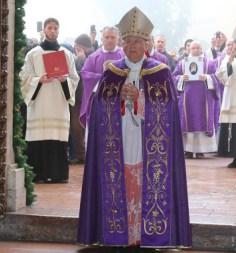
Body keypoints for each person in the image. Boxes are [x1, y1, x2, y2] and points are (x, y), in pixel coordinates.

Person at [77, 6, 192, 250]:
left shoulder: (161, 72)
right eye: (128, 42)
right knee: (120, 180)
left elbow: (169, 109)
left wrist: (140, 98)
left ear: (146, 44)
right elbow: (98, 108)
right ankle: (123, 234)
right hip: (118, 139)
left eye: (138, 42)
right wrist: (118, 97)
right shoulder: (111, 72)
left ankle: (146, 234)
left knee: (148, 181)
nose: (132, 47)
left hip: (147, 142)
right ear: (122, 43)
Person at [20, 17, 79, 183]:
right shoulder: (33, 54)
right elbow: (23, 78)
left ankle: (58, 175)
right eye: (50, 28)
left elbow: (75, 78)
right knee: (39, 139)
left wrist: (64, 80)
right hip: (39, 104)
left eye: (55, 28)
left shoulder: (67, 54)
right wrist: (38, 79)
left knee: (57, 139)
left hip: (58, 103)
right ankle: (38, 174)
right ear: (44, 30)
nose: (53, 31)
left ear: (58, 30)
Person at [173, 41, 222, 158]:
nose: (195, 50)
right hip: (187, 98)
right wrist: (181, 78)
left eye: (198, 48)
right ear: (189, 49)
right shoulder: (182, 63)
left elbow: (217, 77)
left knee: (202, 118)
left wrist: (207, 77)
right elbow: (173, 76)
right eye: (193, 48)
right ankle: (188, 150)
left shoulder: (209, 63)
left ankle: (201, 150)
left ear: (201, 49)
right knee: (187, 119)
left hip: (203, 98)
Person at [79, 26, 124, 128]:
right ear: (102, 39)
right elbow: (85, 75)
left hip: (120, 103)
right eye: (107, 37)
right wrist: (104, 77)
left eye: (112, 37)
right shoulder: (93, 57)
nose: (109, 40)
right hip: (99, 103)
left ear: (118, 39)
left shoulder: (124, 55)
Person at [216, 38, 236, 168]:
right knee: (234, 131)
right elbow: (223, 77)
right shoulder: (227, 60)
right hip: (231, 98)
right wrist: (229, 62)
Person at [67, 34, 94, 164]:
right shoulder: (80, 55)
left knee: (77, 126)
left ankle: (82, 154)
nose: (74, 47)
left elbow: (83, 75)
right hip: (78, 97)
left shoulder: (90, 57)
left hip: (83, 97)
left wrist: (81, 59)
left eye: (76, 45)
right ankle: (81, 153)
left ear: (81, 46)